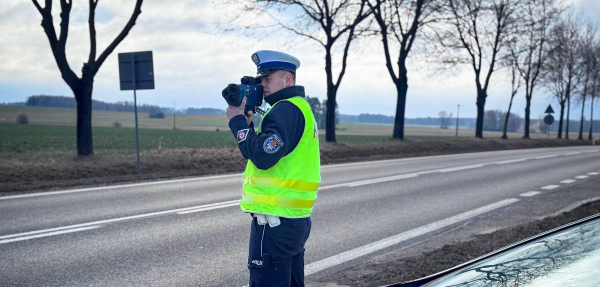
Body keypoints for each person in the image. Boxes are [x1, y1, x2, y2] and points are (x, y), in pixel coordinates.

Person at [226, 50, 321, 287]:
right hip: (291, 220)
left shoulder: (285, 109)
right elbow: (259, 150)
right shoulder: (298, 108)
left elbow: (262, 157)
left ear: (287, 79)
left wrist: (236, 120)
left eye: (267, 79)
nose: (262, 85)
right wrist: (247, 124)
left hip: (275, 223)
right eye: (260, 80)